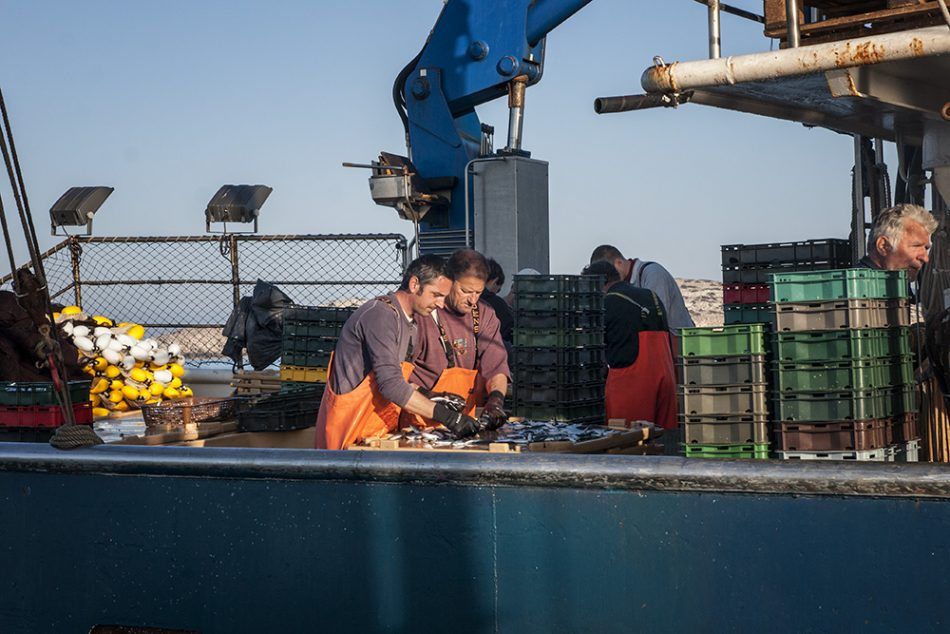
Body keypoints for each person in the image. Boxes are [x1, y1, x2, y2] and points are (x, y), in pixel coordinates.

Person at [315, 254, 480, 450]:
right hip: (348, 438)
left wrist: (432, 395)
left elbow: (396, 377)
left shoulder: (411, 324)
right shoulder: (380, 315)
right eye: (436, 294)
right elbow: (390, 385)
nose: (441, 304)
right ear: (414, 284)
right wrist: (449, 418)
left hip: (375, 434)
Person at [406, 249, 510, 430]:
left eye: (478, 292)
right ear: (448, 281)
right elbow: (397, 377)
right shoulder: (424, 312)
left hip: (463, 422)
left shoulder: (484, 314)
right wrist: (431, 396)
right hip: (418, 419)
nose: (473, 300)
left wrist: (496, 400)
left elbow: (496, 365)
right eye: (465, 291)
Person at [583, 260, 678, 436]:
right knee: (664, 443)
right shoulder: (651, 296)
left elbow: (595, 353)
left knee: (627, 443)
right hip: (666, 379)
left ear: (600, 283)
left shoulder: (607, 303)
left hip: (632, 384)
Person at [589, 245, 694, 333]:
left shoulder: (653, 274)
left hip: (678, 344)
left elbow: (657, 317)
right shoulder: (624, 285)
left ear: (619, 263)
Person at [858, 204, 938, 284]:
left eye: (926, 248)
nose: (925, 258)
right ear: (883, 246)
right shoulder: (857, 289)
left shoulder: (894, 285)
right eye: (916, 246)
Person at [480, 258, 513, 351]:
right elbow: (509, 333)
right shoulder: (496, 304)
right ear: (495, 281)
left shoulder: (458, 301)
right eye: (498, 290)